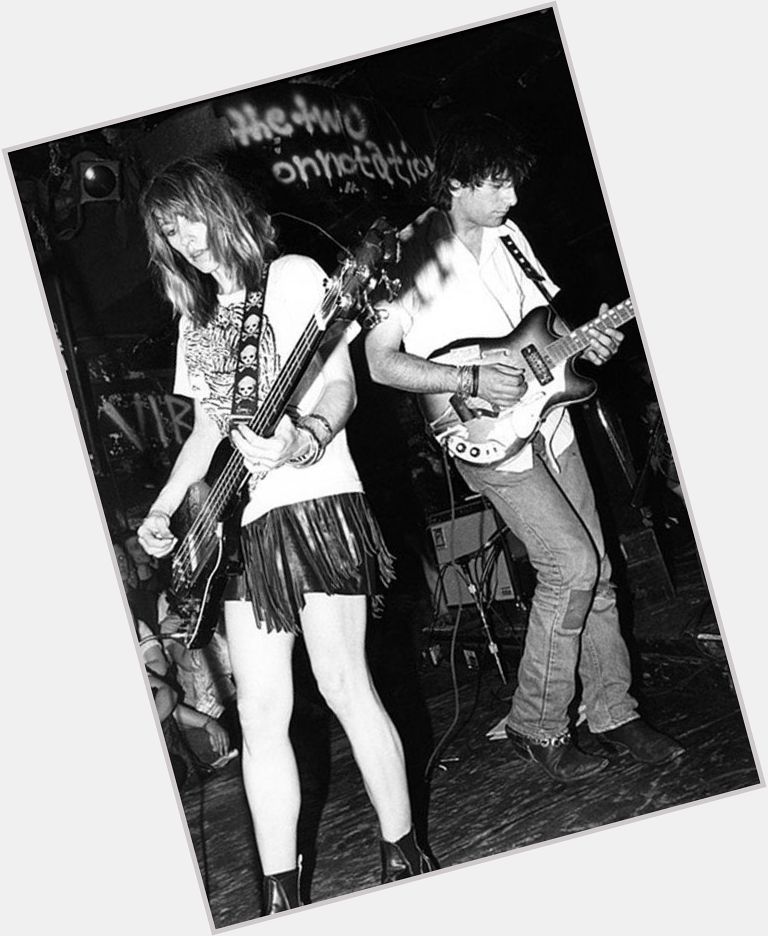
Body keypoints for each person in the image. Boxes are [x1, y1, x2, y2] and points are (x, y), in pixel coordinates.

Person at [135, 157, 432, 915]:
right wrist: (168, 507)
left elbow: (340, 383)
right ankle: (278, 899)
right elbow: (207, 431)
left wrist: (302, 437)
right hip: (240, 527)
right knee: (260, 713)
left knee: (343, 684)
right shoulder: (196, 321)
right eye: (170, 231)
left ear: (221, 207)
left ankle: (405, 855)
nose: (186, 239)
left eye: (191, 218)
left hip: (315, 500)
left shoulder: (297, 275)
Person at [365, 114, 684, 783]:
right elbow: (381, 362)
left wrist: (588, 342)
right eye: (497, 184)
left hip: (551, 421)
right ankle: (536, 724)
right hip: (483, 435)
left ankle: (613, 711)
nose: (512, 197)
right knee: (570, 565)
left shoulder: (511, 238)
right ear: (453, 184)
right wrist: (466, 377)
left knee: (597, 565)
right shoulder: (411, 252)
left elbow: (546, 328)